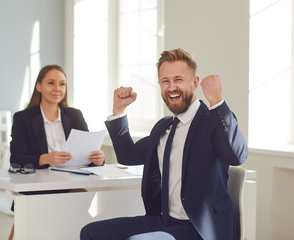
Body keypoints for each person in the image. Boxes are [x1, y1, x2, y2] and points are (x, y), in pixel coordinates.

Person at [80, 48, 248, 240]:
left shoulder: (212, 120)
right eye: (165, 81)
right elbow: (128, 155)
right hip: (165, 222)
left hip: (200, 229)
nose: (171, 87)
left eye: (178, 80)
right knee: (91, 233)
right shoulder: (164, 126)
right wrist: (119, 110)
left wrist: (217, 101)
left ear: (194, 83)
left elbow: (237, 156)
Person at [10, 64, 105, 169]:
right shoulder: (23, 118)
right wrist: (45, 158)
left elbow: (87, 154)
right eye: (51, 83)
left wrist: (98, 160)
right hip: (39, 182)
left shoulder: (75, 116)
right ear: (39, 86)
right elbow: (16, 159)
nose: (57, 89)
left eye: (62, 84)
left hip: (73, 179)